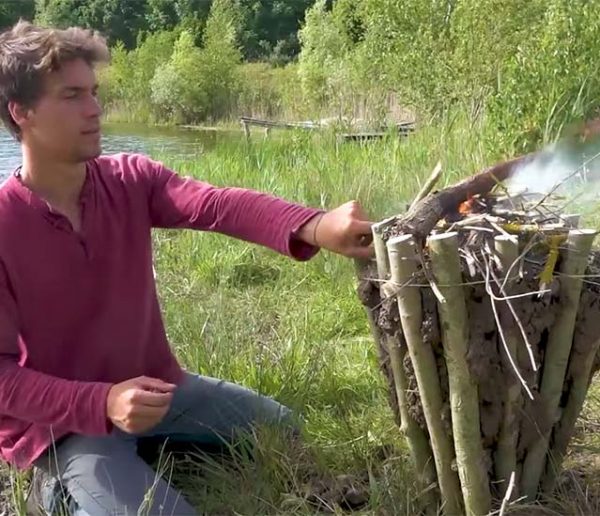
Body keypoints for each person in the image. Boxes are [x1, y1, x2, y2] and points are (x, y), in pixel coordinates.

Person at [0, 21, 374, 515]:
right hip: (63, 427)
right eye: (71, 96)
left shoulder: (131, 179)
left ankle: (156, 451)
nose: (94, 110)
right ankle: (56, 487)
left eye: (93, 93)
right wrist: (104, 402)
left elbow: (217, 205)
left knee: (281, 428)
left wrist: (314, 225)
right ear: (20, 112)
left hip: (158, 390)